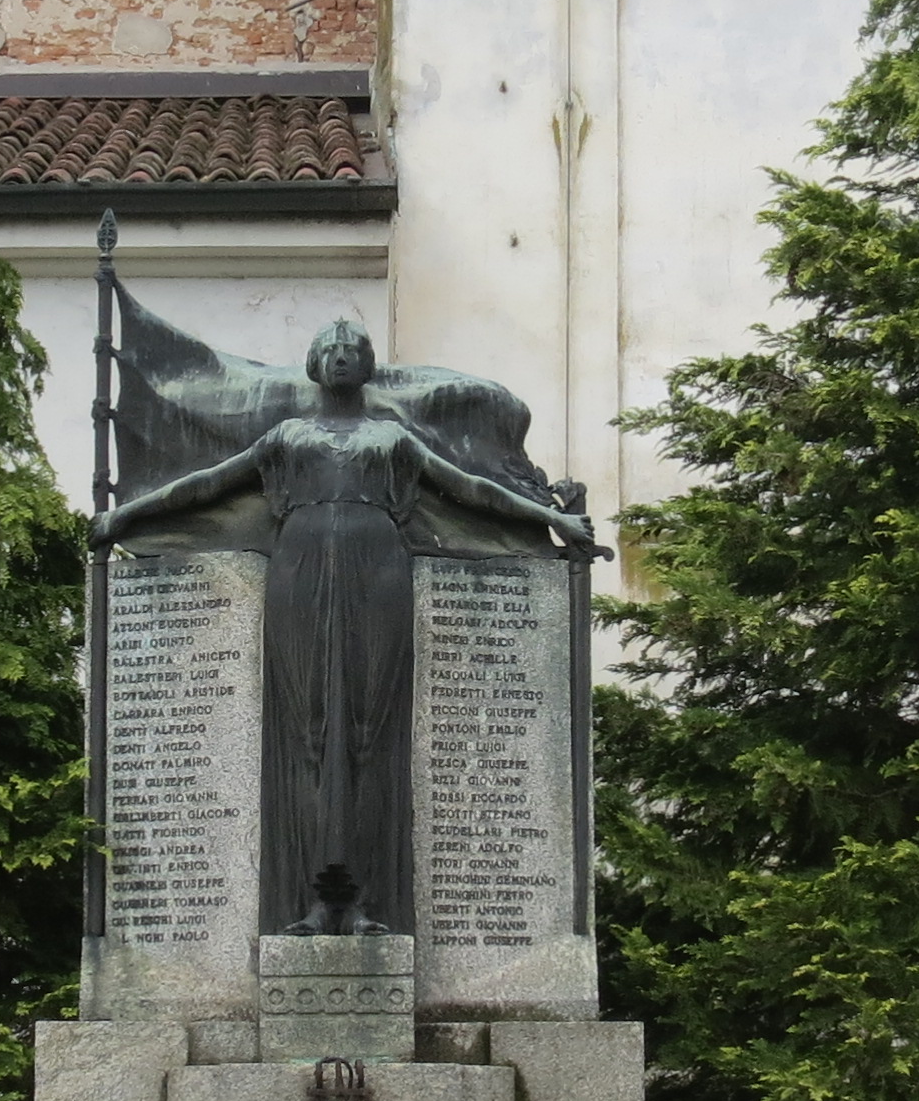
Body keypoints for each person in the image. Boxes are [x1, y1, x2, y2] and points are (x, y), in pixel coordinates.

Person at [97, 318, 595, 932]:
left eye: (351, 349)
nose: (339, 357)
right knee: (309, 729)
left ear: (367, 366)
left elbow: (468, 488)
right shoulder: (286, 436)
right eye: (329, 348)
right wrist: (126, 518)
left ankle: (361, 899)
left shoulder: (391, 439)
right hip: (299, 570)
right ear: (313, 364)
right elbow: (207, 485)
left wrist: (557, 521)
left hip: (378, 568)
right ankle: (315, 897)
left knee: (365, 731)